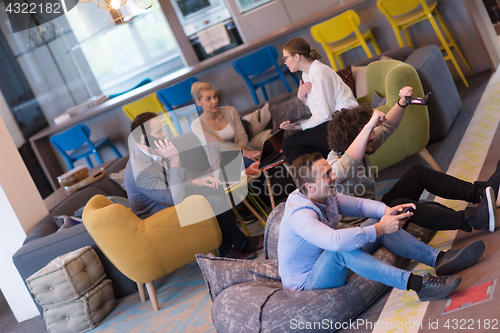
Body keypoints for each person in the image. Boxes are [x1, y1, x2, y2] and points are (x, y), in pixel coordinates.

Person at [278, 152, 485, 302]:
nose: (334, 177)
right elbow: (334, 241)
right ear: (309, 187)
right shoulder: (300, 214)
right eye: (327, 175)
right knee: (342, 250)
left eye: (331, 171)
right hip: (308, 283)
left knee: (373, 225)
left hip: (326, 259)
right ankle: (419, 285)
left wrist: (386, 211)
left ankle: (439, 259)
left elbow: (359, 205)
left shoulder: (324, 193)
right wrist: (380, 229)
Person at [326, 86, 499, 232]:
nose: (372, 136)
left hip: (377, 209)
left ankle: (482, 193)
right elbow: (345, 168)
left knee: (418, 174)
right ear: (354, 139)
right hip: (367, 225)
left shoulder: (363, 146)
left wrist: (402, 103)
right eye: (368, 133)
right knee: (403, 205)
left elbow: (387, 126)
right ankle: (474, 220)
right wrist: (369, 125)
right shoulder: (332, 166)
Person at [124, 112, 264, 259]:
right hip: (159, 219)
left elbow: (172, 185)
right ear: (144, 138)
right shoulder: (139, 172)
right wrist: (175, 160)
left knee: (214, 187)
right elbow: (174, 198)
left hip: (168, 202)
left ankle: (229, 249)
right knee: (213, 202)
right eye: (159, 131)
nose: (165, 134)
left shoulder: (152, 150)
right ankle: (238, 245)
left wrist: (196, 182)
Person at [279, 37, 358, 163]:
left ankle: (328, 174)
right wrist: (303, 98)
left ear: (297, 57)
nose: (284, 62)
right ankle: (324, 177)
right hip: (331, 121)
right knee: (296, 153)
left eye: (285, 58)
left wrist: (299, 127)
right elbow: (319, 110)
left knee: (288, 144)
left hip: (344, 123)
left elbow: (325, 115)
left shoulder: (320, 73)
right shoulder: (307, 74)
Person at [190, 82, 260, 172]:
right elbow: (219, 146)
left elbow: (242, 137)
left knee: (262, 160)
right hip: (222, 166)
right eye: (208, 99)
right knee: (254, 166)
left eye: (215, 96)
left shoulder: (231, 111)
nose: (214, 101)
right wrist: (244, 153)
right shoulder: (197, 125)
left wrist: (239, 154)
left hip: (242, 156)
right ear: (199, 102)